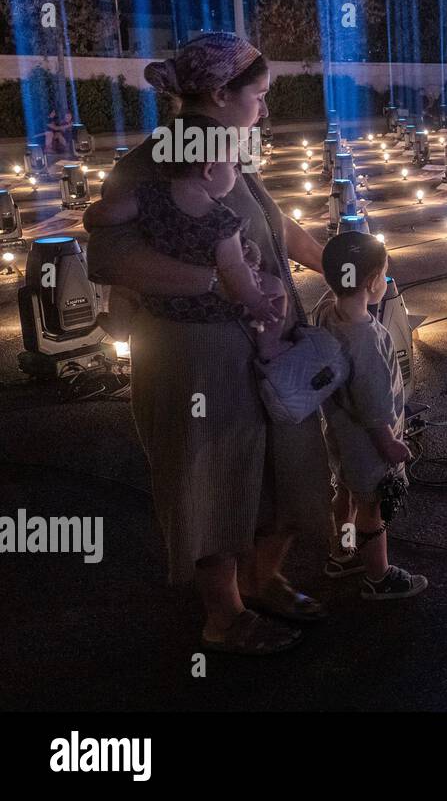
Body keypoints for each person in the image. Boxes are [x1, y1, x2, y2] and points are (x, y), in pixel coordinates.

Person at [85, 32, 330, 655]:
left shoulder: (227, 156)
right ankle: (223, 616)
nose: (266, 109)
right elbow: (109, 254)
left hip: (259, 348)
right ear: (220, 94)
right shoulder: (155, 161)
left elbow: (273, 224)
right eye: (259, 96)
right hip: (194, 355)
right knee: (209, 476)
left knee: (280, 472)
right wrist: (221, 286)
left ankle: (262, 580)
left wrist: (334, 264)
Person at [83, 142, 294, 363]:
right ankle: (269, 345)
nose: (236, 173)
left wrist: (90, 218)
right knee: (276, 289)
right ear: (209, 169)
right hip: (210, 305)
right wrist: (256, 301)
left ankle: (119, 325)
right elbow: (232, 268)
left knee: (123, 287)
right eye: (233, 167)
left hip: (158, 300)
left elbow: (105, 213)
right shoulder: (223, 221)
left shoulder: (148, 196)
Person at [317, 232, 428, 600]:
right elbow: (372, 400)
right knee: (372, 507)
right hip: (369, 444)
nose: (385, 281)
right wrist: (389, 443)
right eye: (384, 275)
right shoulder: (365, 337)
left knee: (346, 492)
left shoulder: (326, 311)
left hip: (339, 434)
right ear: (371, 283)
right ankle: (378, 577)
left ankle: (342, 552)